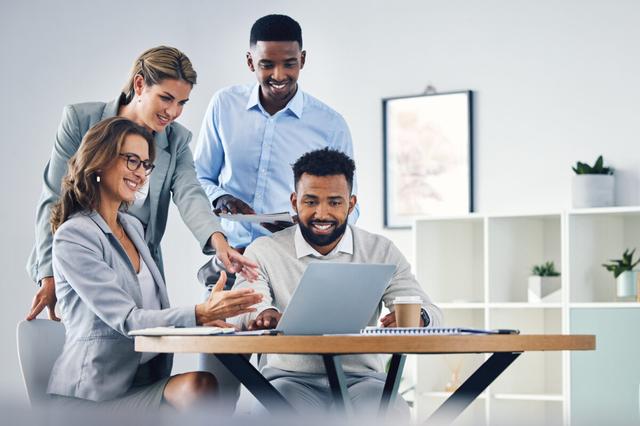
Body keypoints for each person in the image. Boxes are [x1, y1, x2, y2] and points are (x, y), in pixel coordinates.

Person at [27, 46, 257, 323]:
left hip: (140, 262)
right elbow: (54, 197)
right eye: (166, 98)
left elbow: (190, 194)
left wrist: (220, 243)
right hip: (86, 257)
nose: (173, 112)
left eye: (182, 103)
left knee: (150, 351)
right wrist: (48, 275)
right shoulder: (81, 121)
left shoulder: (175, 140)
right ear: (139, 84)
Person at [47, 117, 263, 410]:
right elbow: (129, 320)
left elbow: (154, 314)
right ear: (99, 160)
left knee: (206, 386)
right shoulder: (74, 236)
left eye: (146, 165)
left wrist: (204, 319)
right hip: (92, 396)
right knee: (200, 388)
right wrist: (198, 313)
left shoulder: (133, 227)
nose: (140, 173)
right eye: (132, 161)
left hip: (145, 381)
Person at [231, 148, 442, 416]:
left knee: (389, 412)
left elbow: (432, 311)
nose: (322, 213)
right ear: (294, 201)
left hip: (362, 382)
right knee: (272, 411)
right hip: (289, 380)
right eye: (310, 202)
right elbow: (241, 308)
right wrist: (262, 314)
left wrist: (419, 318)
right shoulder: (263, 251)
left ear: (351, 204)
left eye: (334, 202)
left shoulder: (381, 250)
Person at [194, 14, 359, 251]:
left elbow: (350, 207)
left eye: (289, 64)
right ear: (251, 62)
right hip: (231, 256)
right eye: (267, 64)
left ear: (302, 60)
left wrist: (309, 229)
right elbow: (199, 176)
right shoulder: (224, 105)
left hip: (291, 260)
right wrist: (220, 197)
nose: (279, 75)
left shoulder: (331, 124)